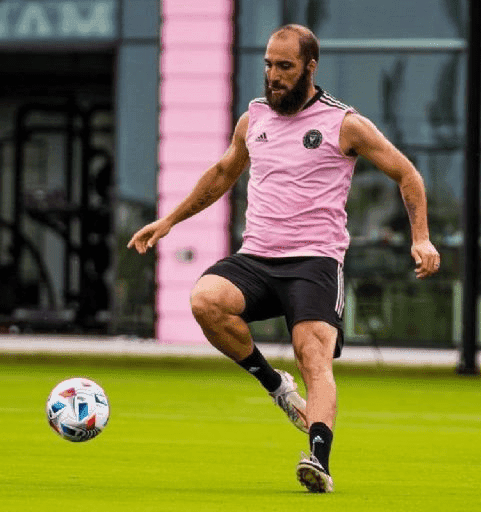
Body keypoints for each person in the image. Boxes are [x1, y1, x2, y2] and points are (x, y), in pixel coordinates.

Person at [128, 24, 441, 492]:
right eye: (269, 65)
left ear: (309, 68)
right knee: (205, 301)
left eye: (285, 67)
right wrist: (170, 220)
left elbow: (407, 173)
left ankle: (318, 460)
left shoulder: (344, 123)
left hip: (314, 262)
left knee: (313, 357)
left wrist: (422, 238)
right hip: (257, 257)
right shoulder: (253, 119)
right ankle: (277, 387)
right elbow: (222, 173)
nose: (273, 75)